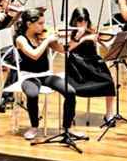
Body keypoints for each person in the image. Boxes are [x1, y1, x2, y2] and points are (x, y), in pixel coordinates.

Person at [16, 8, 80, 140]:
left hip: (46, 74)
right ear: (29, 24)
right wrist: (47, 41)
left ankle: (67, 128)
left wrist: (75, 37)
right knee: (32, 94)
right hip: (28, 76)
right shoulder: (21, 39)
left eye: (43, 23)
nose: (43, 27)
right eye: (40, 23)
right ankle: (34, 126)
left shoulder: (43, 37)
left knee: (71, 92)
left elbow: (63, 50)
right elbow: (34, 55)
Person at [67, 7, 115, 125]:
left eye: (85, 21)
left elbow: (106, 45)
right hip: (76, 65)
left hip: (93, 63)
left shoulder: (92, 30)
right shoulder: (70, 32)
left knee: (109, 82)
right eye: (80, 21)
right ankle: (70, 114)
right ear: (74, 21)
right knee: (72, 89)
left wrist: (111, 41)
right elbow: (68, 49)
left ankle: (109, 114)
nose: (83, 24)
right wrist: (81, 37)